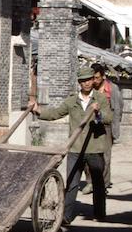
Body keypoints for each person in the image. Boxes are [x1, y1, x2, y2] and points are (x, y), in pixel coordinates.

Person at [30, 67, 113, 224]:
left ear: (93, 81)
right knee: (72, 183)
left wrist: (98, 114)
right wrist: (37, 111)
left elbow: (109, 118)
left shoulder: (100, 99)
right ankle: (66, 216)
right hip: (75, 148)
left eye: (89, 80)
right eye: (83, 81)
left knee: (98, 183)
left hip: (94, 148)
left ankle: (100, 213)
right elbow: (55, 113)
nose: (86, 83)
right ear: (79, 83)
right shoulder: (72, 100)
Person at [90, 63, 122, 189]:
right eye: (93, 78)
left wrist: (116, 126)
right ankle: (91, 182)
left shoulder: (112, 89)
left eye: (97, 78)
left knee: (106, 156)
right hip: (92, 125)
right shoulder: (90, 89)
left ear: (103, 77)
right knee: (90, 155)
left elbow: (119, 108)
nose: (95, 81)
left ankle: (103, 183)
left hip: (107, 126)